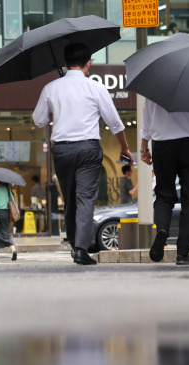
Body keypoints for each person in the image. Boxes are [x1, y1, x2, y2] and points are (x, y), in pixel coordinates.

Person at [33, 42, 133, 266]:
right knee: (86, 199)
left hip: (62, 150)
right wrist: (124, 148)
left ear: (65, 63)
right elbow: (115, 123)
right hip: (88, 148)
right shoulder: (95, 88)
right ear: (89, 63)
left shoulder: (51, 87)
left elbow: (38, 119)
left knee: (69, 200)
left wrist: (54, 114)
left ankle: (73, 243)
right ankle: (81, 249)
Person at [140, 99, 189, 266]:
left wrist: (144, 147)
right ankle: (182, 253)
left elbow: (147, 119)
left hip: (161, 146)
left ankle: (162, 230)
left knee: (163, 194)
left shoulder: (154, 87)